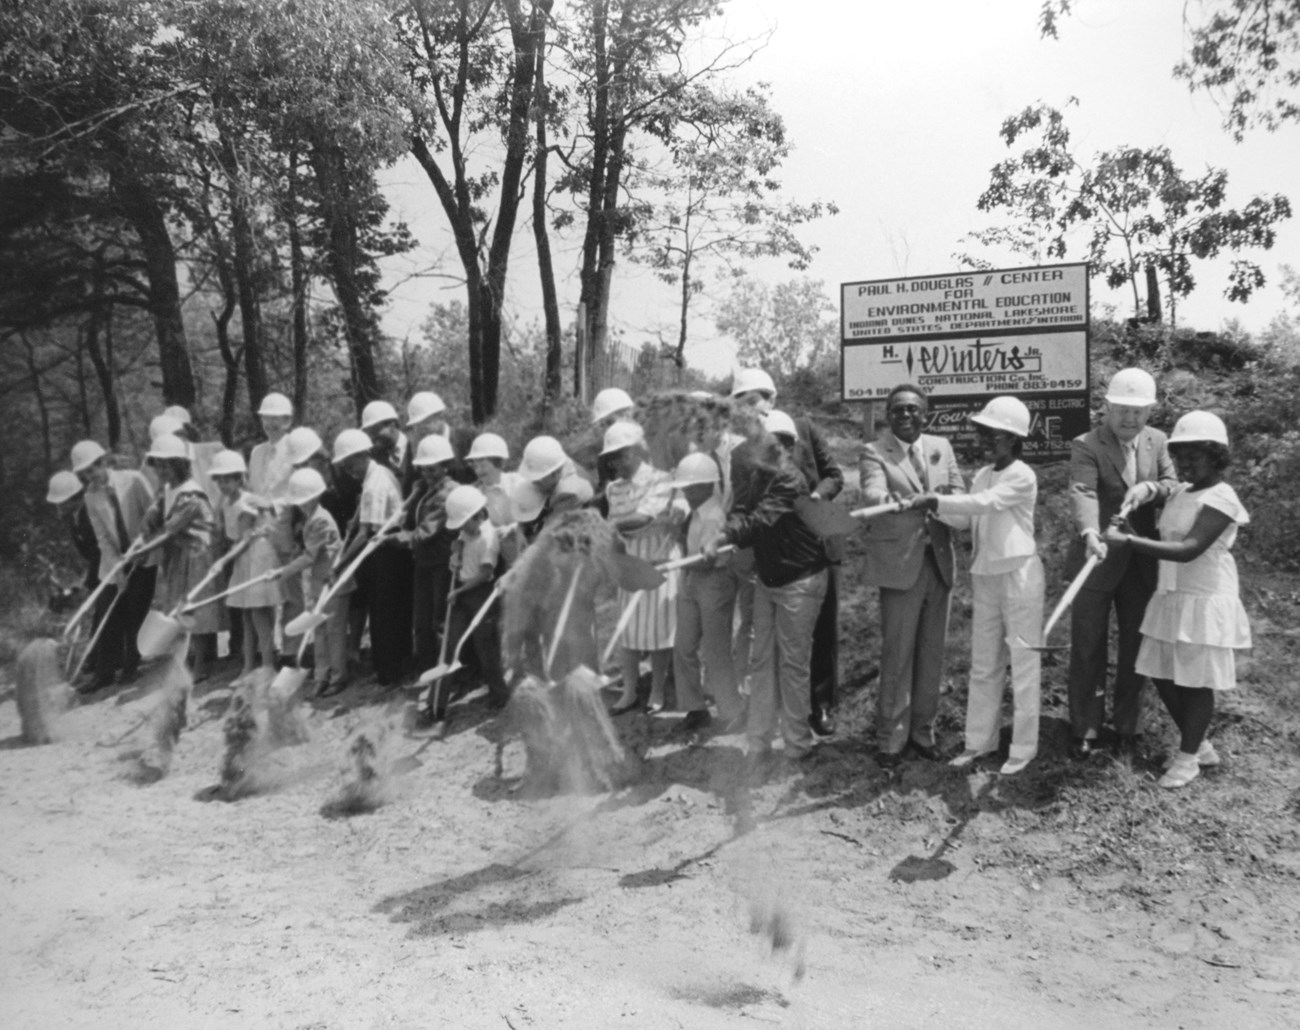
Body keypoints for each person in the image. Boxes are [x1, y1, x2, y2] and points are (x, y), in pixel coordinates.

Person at [1101, 411, 1251, 789]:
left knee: (1195, 681)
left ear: (1216, 456)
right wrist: (1131, 529)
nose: (1185, 463)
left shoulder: (1223, 496)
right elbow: (1166, 539)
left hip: (1203, 596)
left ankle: (1187, 759)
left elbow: (1188, 549)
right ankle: (1198, 745)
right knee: (1161, 670)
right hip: (1171, 592)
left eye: (1194, 456)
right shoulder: (1183, 491)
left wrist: (1130, 542)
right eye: (1180, 456)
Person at [910, 396, 1044, 776]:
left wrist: (937, 498)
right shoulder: (984, 473)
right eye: (984, 433)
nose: (986, 441)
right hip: (986, 576)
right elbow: (968, 518)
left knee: (1023, 663)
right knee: (984, 664)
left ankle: (1023, 748)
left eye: (995, 435)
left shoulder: (1022, 475)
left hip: (1019, 575)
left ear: (1015, 439)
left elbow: (985, 504)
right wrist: (933, 508)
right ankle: (979, 742)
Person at [1065, 367, 1179, 758]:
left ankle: (1127, 725)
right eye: (1123, 410)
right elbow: (1083, 491)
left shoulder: (1158, 441)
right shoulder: (1086, 444)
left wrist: (1152, 488)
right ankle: (1086, 726)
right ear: (1107, 407)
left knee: (1136, 646)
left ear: (1149, 411)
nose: (1130, 419)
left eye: (1139, 411)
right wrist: (1089, 533)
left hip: (1141, 562)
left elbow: (1174, 483)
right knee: (1088, 646)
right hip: (1095, 558)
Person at [705, 413, 830, 762]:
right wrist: (725, 529)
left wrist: (725, 536)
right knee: (761, 662)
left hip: (800, 580)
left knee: (792, 665)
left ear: (790, 447)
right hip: (769, 577)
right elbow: (741, 509)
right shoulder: (753, 473)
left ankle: (797, 745)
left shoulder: (791, 480)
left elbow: (760, 519)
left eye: (779, 444)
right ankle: (758, 741)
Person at [731, 369, 843, 736]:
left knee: (820, 630)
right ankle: (776, 714)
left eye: (755, 401)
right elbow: (743, 504)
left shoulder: (804, 428)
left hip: (814, 542)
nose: (751, 411)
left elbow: (835, 475)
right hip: (770, 552)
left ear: (771, 399)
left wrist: (816, 496)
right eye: (742, 405)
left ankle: (820, 705)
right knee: (770, 644)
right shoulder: (742, 451)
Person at [859, 383, 965, 767]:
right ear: (888, 416)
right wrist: (895, 502)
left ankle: (923, 733)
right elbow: (871, 492)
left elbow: (958, 493)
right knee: (898, 655)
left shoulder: (942, 448)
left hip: (938, 563)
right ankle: (890, 738)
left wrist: (941, 503)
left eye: (913, 410)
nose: (906, 416)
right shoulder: (874, 452)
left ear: (926, 414)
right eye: (898, 410)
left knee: (931, 655)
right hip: (900, 567)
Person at [603, 421, 683, 715]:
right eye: (611, 457)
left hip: (659, 561)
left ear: (636, 452)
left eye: (620, 455)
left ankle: (658, 690)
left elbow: (642, 518)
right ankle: (629, 691)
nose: (615, 462)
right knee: (629, 633)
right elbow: (618, 531)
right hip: (630, 564)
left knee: (658, 632)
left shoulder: (662, 480)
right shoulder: (614, 489)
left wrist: (607, 525)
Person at [71, 439, 157, 691]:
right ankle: (104, 672)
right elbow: (103, 539)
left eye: (95, 467)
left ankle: (132, 663)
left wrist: (146, 545)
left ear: (104, 461)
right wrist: (116, 569)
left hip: (145, 555)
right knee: (108, 610)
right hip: (115, 559)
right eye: (86, 473)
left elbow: (152, 513)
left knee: (134, 612)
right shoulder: (91, 497)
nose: (92, 475)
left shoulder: (133, 479)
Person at [669, 452, 740, 735]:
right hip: (691, 581)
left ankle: (732, 711)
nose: (686, 492)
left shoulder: (714, 516)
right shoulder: (693, 514)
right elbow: (688, 550)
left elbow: (709, 559)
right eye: (684, 488)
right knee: (683, 646)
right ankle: (695, 708)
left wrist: (674, 565)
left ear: (706, 486)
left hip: (714, 582)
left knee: (715, 651)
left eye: (690, 487)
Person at [333, 428, 410, 687]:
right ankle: (389, 669)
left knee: (384, 614)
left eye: (351, 462)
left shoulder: (375, 483)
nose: (348, 469)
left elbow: (365, 534)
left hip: (386, 549)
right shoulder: (374, 476)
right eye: (344, 465)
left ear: (364, 455)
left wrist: (340, 565)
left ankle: (389, 675)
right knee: (384, 611)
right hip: (381, 547)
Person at [142, 434, 220, 680]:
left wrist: (138, 553)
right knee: (177, 608)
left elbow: (169, 530)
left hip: (196, 554)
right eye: (158, 465)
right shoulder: (169, 489)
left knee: (192, 609)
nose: (162, 470)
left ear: (179, 463)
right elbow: (159, 512)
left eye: (166, 464)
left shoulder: (192, 495)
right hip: (178, 554)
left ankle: (200, 664)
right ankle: (185, 659)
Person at [276, 468, 349, 698]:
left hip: (334, 583)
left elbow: (310, 557)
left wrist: (283, 572)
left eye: (305, 500)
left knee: (334, 632)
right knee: (318, 632)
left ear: (316, 497)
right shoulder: (311, 519)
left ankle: (337, 678)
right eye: (299, 502)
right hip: (319, 584)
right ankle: (321, 676)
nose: (301, 505)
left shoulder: (321, 520)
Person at [211, 450, 282, 682]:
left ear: (240, 478)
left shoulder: (245, 503)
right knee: (245, 615)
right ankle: (249, 666)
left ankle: (268, 666)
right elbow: (229, 537)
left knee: (259, 614)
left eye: (228, 479)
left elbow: (245, 539)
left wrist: (223, 560)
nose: (223, 484)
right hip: (243, 558)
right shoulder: (224, 502)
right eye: (219, 480)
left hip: (257, 556)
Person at [442, 485, 509, 717]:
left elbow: (484, 574)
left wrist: (458, 593)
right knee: (450, 644)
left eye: (463, 523)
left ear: (476, 515)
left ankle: (499, 694)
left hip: (481, 594)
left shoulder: (489, 537)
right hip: (462, 590)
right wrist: (456, 553)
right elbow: (459, 543)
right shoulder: (467, 531)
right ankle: (438, 703)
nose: (460, 529)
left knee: (486, 646)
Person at [399, 435, 458, 680]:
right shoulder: (427, 491)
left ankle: (445, 674)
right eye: (423, 469)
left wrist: (397, 538)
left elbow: (426, 532)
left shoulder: (448, 493)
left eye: (432, 469)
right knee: (421, 621)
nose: (427, 474)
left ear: (445, 465)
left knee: (440, 620)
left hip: (441, 565)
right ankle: (426, 670)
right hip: (423, 563)